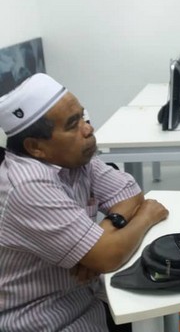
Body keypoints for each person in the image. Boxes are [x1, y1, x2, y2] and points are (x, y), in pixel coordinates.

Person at [0, 74, 168, 332]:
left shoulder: (72, 158)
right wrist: (146, 215)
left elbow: (130, 193)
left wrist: (100, 239)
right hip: (46, 321)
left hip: (88, 301)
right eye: (72, 125)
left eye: (82, 116)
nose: (88, 129)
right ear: (35, 147)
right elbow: (108, 256)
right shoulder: (27, 185)